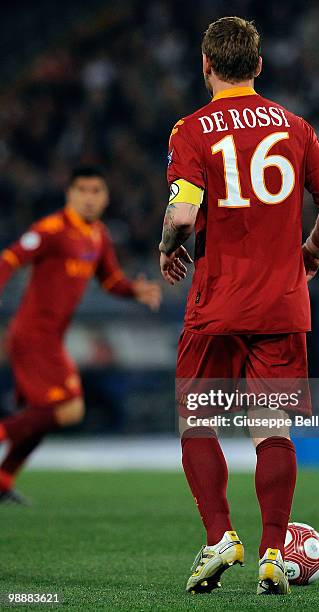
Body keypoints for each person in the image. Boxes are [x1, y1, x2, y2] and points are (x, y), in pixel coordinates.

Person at [159, 17, 319, 595]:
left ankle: (220, 537)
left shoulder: (191, 130)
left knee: (198, 422)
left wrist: (168, 247)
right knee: (271, 429)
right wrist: (311, 252)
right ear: (259, 66)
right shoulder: (296, 127)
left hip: (218, 302)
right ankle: (272, 553)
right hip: (281, 305)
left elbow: (183, 214)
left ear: (205, 65)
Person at [0, 165, 161, 503]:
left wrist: (135, 291)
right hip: (32, 335)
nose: (89, 198)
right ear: (69, 194)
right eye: (82, 190)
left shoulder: (98, 236)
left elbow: (110, 280)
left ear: (105, 197)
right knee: (67, 410)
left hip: (50, 339)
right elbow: (10, 258)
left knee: (45, 416)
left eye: (96, 191)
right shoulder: (52, 229)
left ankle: (3, 480)